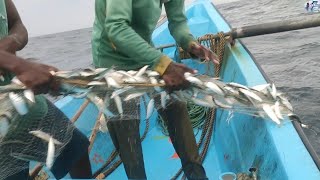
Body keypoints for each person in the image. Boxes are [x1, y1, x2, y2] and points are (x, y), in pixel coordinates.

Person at [92, 0, 219, 179]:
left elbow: (177, 21)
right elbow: (116, 28)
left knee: (176, 107)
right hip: (112, 63)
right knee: (127, 130)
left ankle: (197, 176)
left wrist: (190, 43)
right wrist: (164, 65)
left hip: (145, 55)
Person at [0, 0, 92, 179]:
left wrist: (7, 45)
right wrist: (18, 64)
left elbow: (18, 26)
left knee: (76, 150)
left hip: (21, 95)